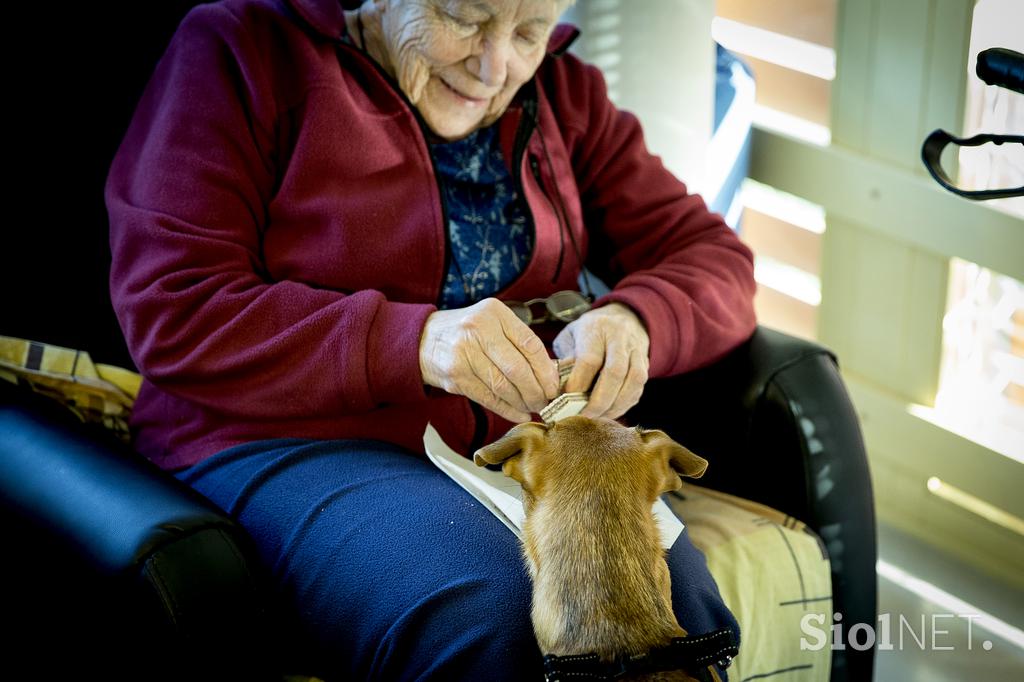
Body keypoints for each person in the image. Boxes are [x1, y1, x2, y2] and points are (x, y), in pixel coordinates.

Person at [105, 0, 757, 679]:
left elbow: (715, 258)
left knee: (682, 618)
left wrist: (637, 319)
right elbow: (173, 306)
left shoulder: (563, 92)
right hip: (283, 440)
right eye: (464, 18)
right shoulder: (240, 50)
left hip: (505, 445)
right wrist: (414, 342)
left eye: (529, 31)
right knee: (498, 616)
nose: (495, 65)